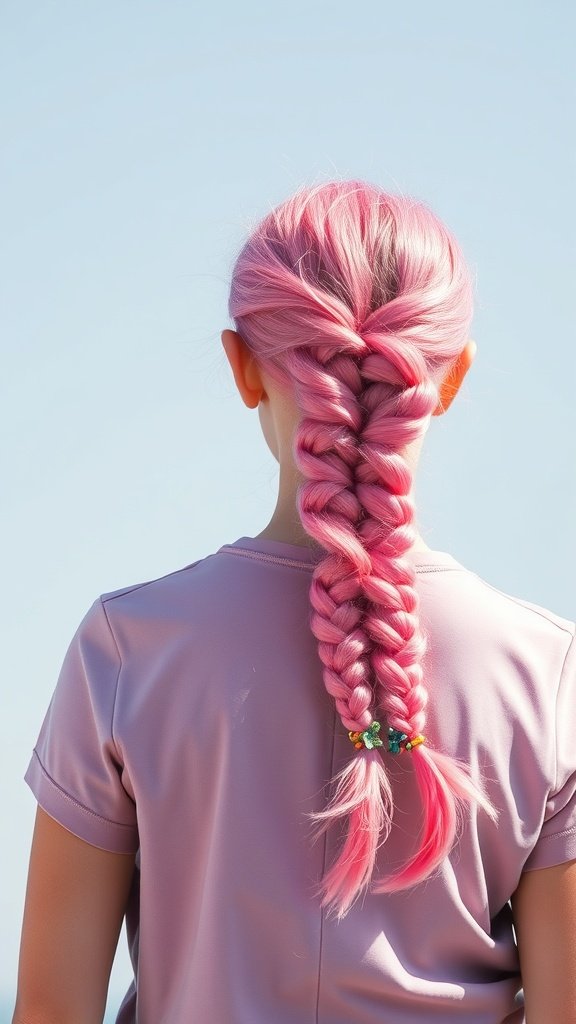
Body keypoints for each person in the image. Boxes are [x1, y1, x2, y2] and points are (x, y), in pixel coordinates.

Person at [12, 180, 576, 1024]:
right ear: (452, 377)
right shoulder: (550, 673)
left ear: (243, 366)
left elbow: (53, 1010)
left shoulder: (126, 647)